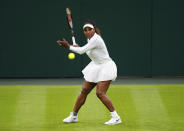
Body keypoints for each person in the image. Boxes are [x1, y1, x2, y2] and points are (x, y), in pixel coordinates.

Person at [57, 20, 121, 125]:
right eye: (85, 30)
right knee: (84, 90)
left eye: (89, 29)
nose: (87, 32)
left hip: (106, 66)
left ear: (94, 29)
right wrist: (76, 48)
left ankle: (116, 117)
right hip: (96, 66)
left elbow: (82, 51)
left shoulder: (96, 39)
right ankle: (73, 116)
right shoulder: (89, 39)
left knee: (100, 93)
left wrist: (69, 46)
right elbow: (87, 50)